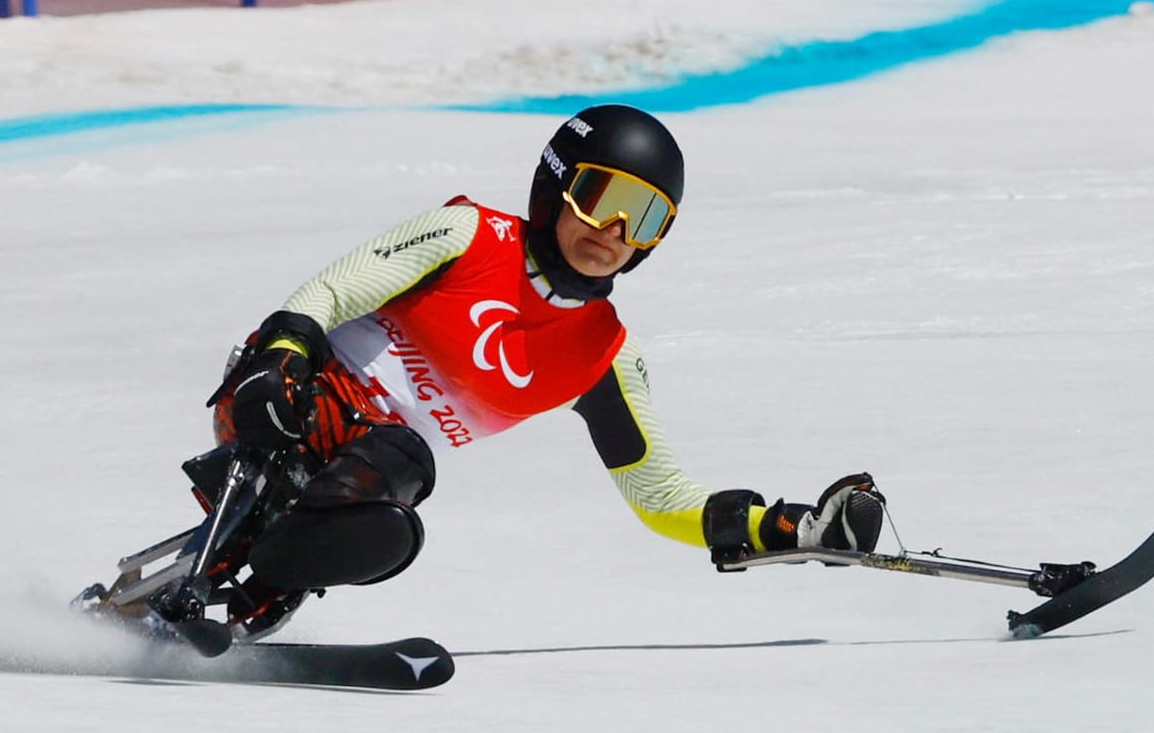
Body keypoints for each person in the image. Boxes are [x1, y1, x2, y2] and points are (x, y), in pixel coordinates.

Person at [208, 103, 884, 635]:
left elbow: (661, 496)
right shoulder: (468, 237)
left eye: (644, 216)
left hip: (370, 474)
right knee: (401, 457)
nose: (614, 229)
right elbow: (331, 294)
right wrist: (282, 358)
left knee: (396, 482)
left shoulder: (603, 354)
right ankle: (270, 566)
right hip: (285, 397)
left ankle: (244, 580)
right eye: (600, 196)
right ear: (557, 187)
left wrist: (788, 529)